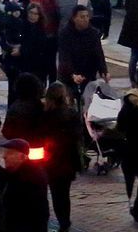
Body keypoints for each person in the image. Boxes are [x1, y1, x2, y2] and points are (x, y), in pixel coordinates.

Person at [40, 82, 83, 232]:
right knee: (64, 193)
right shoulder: (71, 113)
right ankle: (65, 220)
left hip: (52, 160)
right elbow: (78, 135)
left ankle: (62, 221)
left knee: (56, 193)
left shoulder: (45, 115)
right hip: (68, 160)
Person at [56, 6, 108, 99]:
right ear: (74, 18)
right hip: (69, 75)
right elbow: (64, 56)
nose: (85, 19)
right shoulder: (65, 34)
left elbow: (98, 53)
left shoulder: (93, 33)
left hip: (88, 73)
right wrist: (72, 74)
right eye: (82, 17)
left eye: (87, 16)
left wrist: (103, 70)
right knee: (69, 99)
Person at [1, 139, 50, 232]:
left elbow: (37, 212)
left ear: (22, 157)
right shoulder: (13, 172)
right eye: (4, 153)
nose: (4, 156)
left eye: (10, 153)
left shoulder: (31, 178)